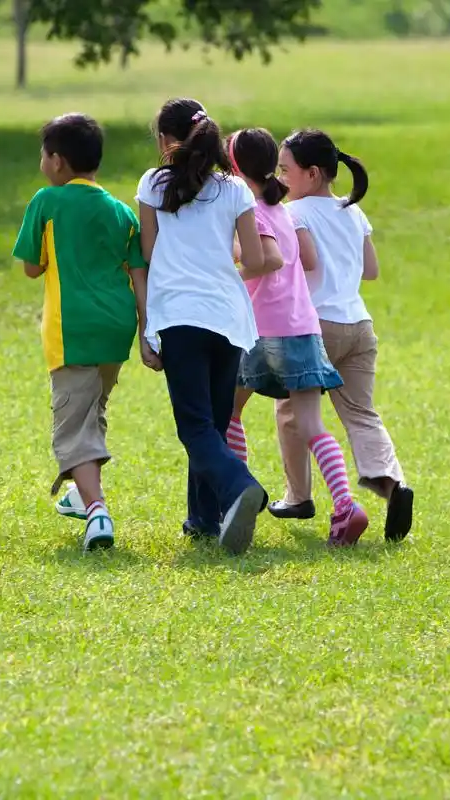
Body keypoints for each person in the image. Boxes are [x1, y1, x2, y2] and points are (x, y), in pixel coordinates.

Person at [136, 98, 280, 555]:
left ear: (165, 141)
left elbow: (148, 254)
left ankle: (238, 487)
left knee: (195, 427)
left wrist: (146, 328)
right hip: (228, 317)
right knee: (213, 426)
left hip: (180, 315)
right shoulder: (234, 188)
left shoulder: (154, 184)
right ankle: (202, 520)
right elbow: (255, 260)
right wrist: (221, 267)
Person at [13, 112, 153, 551]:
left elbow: (32, 267)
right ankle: (80, 495)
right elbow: (138, 274)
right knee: (92, 412)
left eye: (43, 154)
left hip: (71, 330)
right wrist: (147, 331)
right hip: (117, 329)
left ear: (57, 161)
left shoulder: (46, 202)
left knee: (72, 428)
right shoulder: (122, 212)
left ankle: (98, 512)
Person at [223, 128, 370, 546]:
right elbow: (301, 258)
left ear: (234, 168)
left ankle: (237, 496)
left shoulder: (252, 209)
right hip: (302, 327)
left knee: (227, 413)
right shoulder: (284, 209)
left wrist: (233, 273)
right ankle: (345, 506)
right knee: (312, 424)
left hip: (260, 331)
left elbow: (267, 260)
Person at [274, 128, 414, 541]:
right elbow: (370, 271)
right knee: (361, 414)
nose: (280, 179)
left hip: (314, 328)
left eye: (286, 170)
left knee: (291, 412)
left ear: (312, 174)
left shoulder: (292, 213)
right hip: (359, 327)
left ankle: (298, 495)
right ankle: (392, 484)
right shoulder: (353, 211)